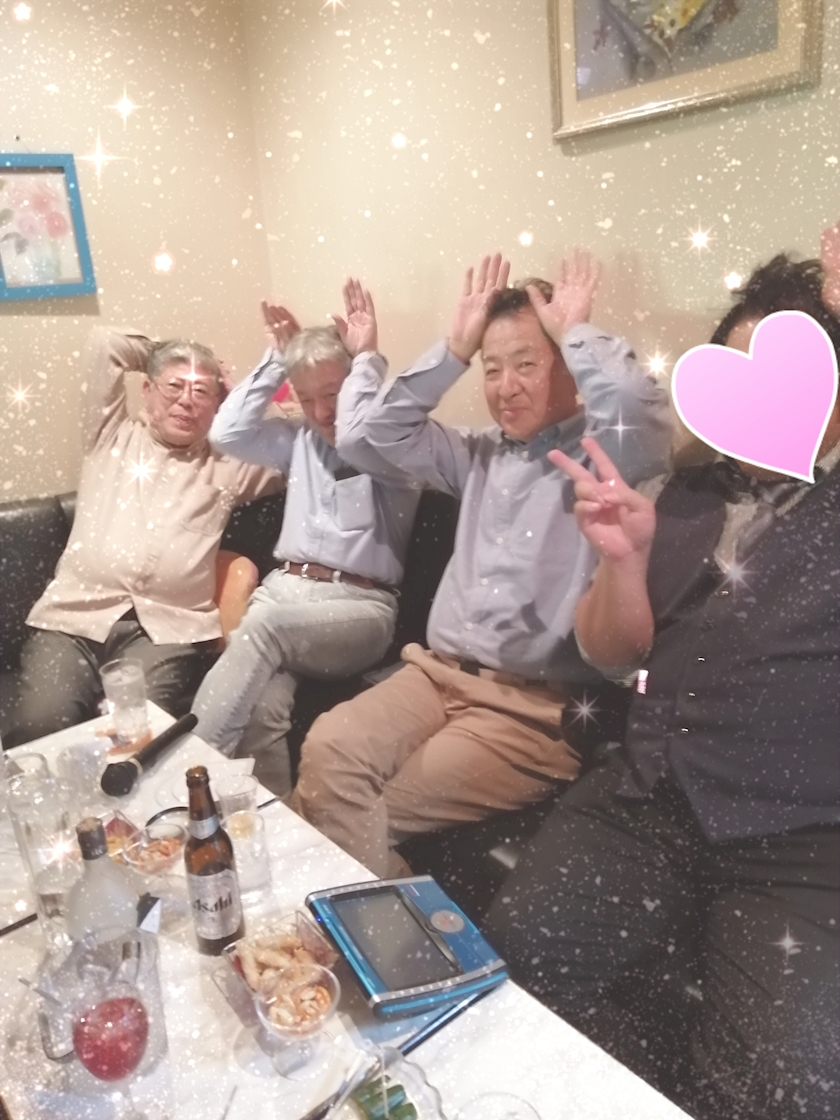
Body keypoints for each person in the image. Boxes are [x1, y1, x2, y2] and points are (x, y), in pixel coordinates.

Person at [484, 242, 840, 1120]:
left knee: (786, 1080)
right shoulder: (682, 493)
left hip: (797, 837)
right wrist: (624, 563)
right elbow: (613, 656)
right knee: (516, 956)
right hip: (647, 795)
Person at [291, 251, 673, 877]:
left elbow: (638, 405)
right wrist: (454, 351)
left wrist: (576, 329)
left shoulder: (605, 455)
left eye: (527, 364)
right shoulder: (478, 453)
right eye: (492, 369)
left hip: (530, 711)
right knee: (328, 746)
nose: (505, 386)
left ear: (567, 365)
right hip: (434, 675)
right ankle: (354, 918)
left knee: (359, 810)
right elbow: (364, 437)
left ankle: (378, 932)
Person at [191, 288, 421, 796]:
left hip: (359, 608)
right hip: (286, 595)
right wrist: (279, 358)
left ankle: (189, 776)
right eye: (307, 397)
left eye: (333, 394)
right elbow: (225, 434)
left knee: (263, 626)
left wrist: (367, 357)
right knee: (262, 706)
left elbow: (360, 433)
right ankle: (275, 824)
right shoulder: (298, 441)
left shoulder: (392, 447)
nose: (321, 411)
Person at [8, 327, 282, 746]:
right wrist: (171, 353)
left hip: (165, 634)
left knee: (140, 739)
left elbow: (300, 436)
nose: (187, 400)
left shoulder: (229, 465)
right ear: (148, 391)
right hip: (72, 623)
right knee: (40, 726)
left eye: (201, 392)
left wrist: (241, 398)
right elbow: (105, 345)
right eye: (174, 386)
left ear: (217, 405)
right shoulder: (110, 437)